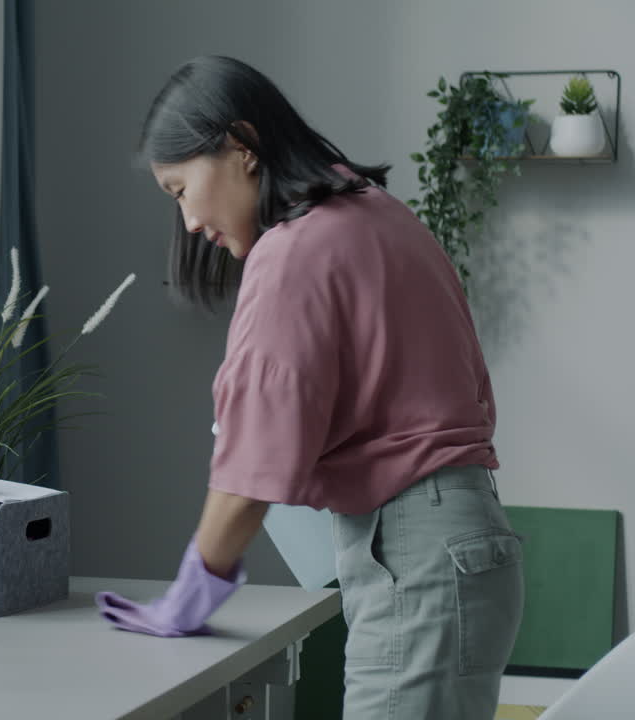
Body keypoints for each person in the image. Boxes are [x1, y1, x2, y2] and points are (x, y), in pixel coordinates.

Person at [94, 55, 524, 720]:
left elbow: (251, 469)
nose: (189, 222)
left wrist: (188, 597)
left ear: (241, 145)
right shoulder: (377, 214)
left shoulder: (294, 251)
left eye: (180, 190)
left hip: (416, 560)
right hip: (462, 545)